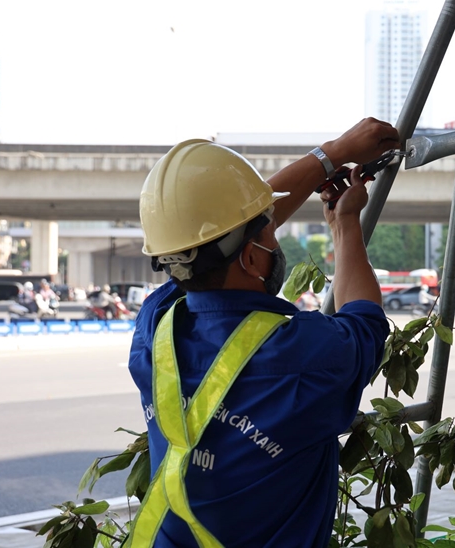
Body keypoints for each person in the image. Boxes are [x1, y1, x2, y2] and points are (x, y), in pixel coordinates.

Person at [128, 118, 399, 547]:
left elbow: (212, 240)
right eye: (271, 232)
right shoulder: (307, 357)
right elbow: (364, 319)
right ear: (251, 260)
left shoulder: (155, 331)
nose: (277, 239)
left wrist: (333, 152)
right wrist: (345, 222)